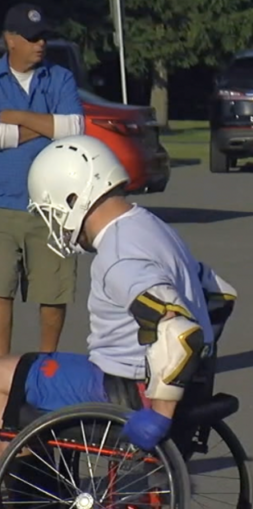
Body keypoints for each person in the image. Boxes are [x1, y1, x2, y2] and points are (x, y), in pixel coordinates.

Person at [0, 135, 237, 456]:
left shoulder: (117, 256)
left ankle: (27, 498)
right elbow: (219, 295)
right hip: (158, 382)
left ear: (73, 198)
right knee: (26, 373)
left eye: (53, 210)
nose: (55, 222)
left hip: (121, 389)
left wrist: (160, 414)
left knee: (4, 380)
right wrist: (196, 373)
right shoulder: (153, 227)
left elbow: (180, 333)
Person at [0, 3, 85, 356]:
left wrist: (17, 117)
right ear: (10, 40)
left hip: (54, 208)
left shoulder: (60, 77)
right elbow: (58, 126)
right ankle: (1, 371)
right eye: (32, 37)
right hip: (3, 204)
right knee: (0, 293)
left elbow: (74, 128)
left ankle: (45, 367)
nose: (41, 44)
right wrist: (47, 123)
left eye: (44, 37)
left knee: (52, 295)